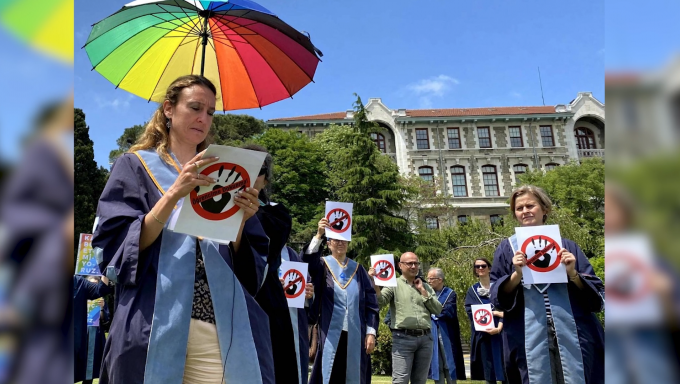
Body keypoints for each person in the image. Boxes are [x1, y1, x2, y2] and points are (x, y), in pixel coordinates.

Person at [92, 75, 274, 384]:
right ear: (169, 109)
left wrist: (242, 221)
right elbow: (116, 248)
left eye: (210, 112)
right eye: (194, 107)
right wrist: (174, 193)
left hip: (216, 323)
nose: (203, 118)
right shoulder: (134, 166)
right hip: (154, 320)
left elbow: (245, 263)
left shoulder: (224, 171)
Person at [490, 185, 604, 384]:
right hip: (526, 332)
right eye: (519, 208)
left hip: (574, 329)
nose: (525, 211)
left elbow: (597, 297)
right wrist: (517, 275)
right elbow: (497, 298)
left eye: (530, 206)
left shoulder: (567, 246)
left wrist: (573, 274)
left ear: (545, 209)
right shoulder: (507, 249)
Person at [241, 143, 314, 384]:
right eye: (243, 166)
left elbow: (268, 247)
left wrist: (248, 213)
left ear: (265, 179)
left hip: (265, 301)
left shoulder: (276, 213)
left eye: (258, 169)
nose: (251, 174)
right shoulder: (217, 207)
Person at [304, 217, 379, 384]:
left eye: (344, 240)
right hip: (330, 333)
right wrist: (319, 234)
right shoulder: (322, 265)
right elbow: (308, 262)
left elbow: (372, 304)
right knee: (329, 375)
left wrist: (371, 333)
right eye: (336, 239)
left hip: (355, 333)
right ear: (329, 243)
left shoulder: (359, 270)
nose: (340, 243)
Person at [369, 252, 442, 384]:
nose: (414, 266)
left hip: (426, 339)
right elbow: (380, 302)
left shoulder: (425, 286)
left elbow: (437, 309)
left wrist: (423, 292)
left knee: (420, 380)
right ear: (400, 265)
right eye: (409, 263)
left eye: (416, 263)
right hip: (403, 339)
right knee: (400, 380)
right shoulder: (393, 284)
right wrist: (374, 283)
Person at [464, 259, 506, 384]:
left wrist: (498, 326)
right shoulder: (472, 290)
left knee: (505, 367)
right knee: (488, 370)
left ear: (489, 268)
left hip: (502, 333)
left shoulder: (500, 287)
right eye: (477, 266)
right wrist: (486, 325)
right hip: (484, 334)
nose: (480, 268)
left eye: (483, 266)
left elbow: (508, 308)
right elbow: (471, 311)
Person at [426, 268, 467, 384]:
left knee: (449, 364)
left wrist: (433, 312)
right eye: (428, 278)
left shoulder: (449, 293)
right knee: (436, 364)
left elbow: (448, 312)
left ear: (440, 280)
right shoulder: (427, 293)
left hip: (446, 332)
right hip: (431, 332)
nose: (428, 281)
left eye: (431, 278)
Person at [73, 275, 112, 384]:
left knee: (89, 367)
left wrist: (105, 264)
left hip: (86, 337)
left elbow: (101, 289)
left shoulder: (79, 284)